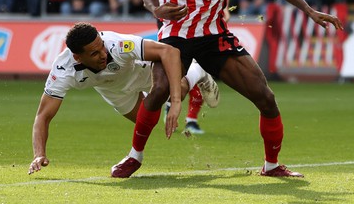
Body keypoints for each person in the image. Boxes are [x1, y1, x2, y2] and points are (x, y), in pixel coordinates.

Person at [135, 0, 344, 179]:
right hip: (175, 34)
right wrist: (155, 8)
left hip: (215, 34)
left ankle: (271, 165)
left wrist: (308, 10)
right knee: (158, 92)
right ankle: (134, 156)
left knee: (266, 97)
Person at [28, 22, 219, 176]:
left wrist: (176, 102)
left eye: (101, 47)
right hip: (114, 91)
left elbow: (169, 52)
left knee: (174, 91)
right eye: (94, 53)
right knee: (144, 122)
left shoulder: (117, 43)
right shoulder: (62, 70)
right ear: (77, 57)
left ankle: (197, 72)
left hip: (144, 71)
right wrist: (39, 154)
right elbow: (43, 116)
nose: (103, 54)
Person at [136, 0, 219, 135]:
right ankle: (195, 76)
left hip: (202, 14)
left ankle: (191, 117)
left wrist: (222, 6)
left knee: (171, 78)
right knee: (168, 80)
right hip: (172, 14)